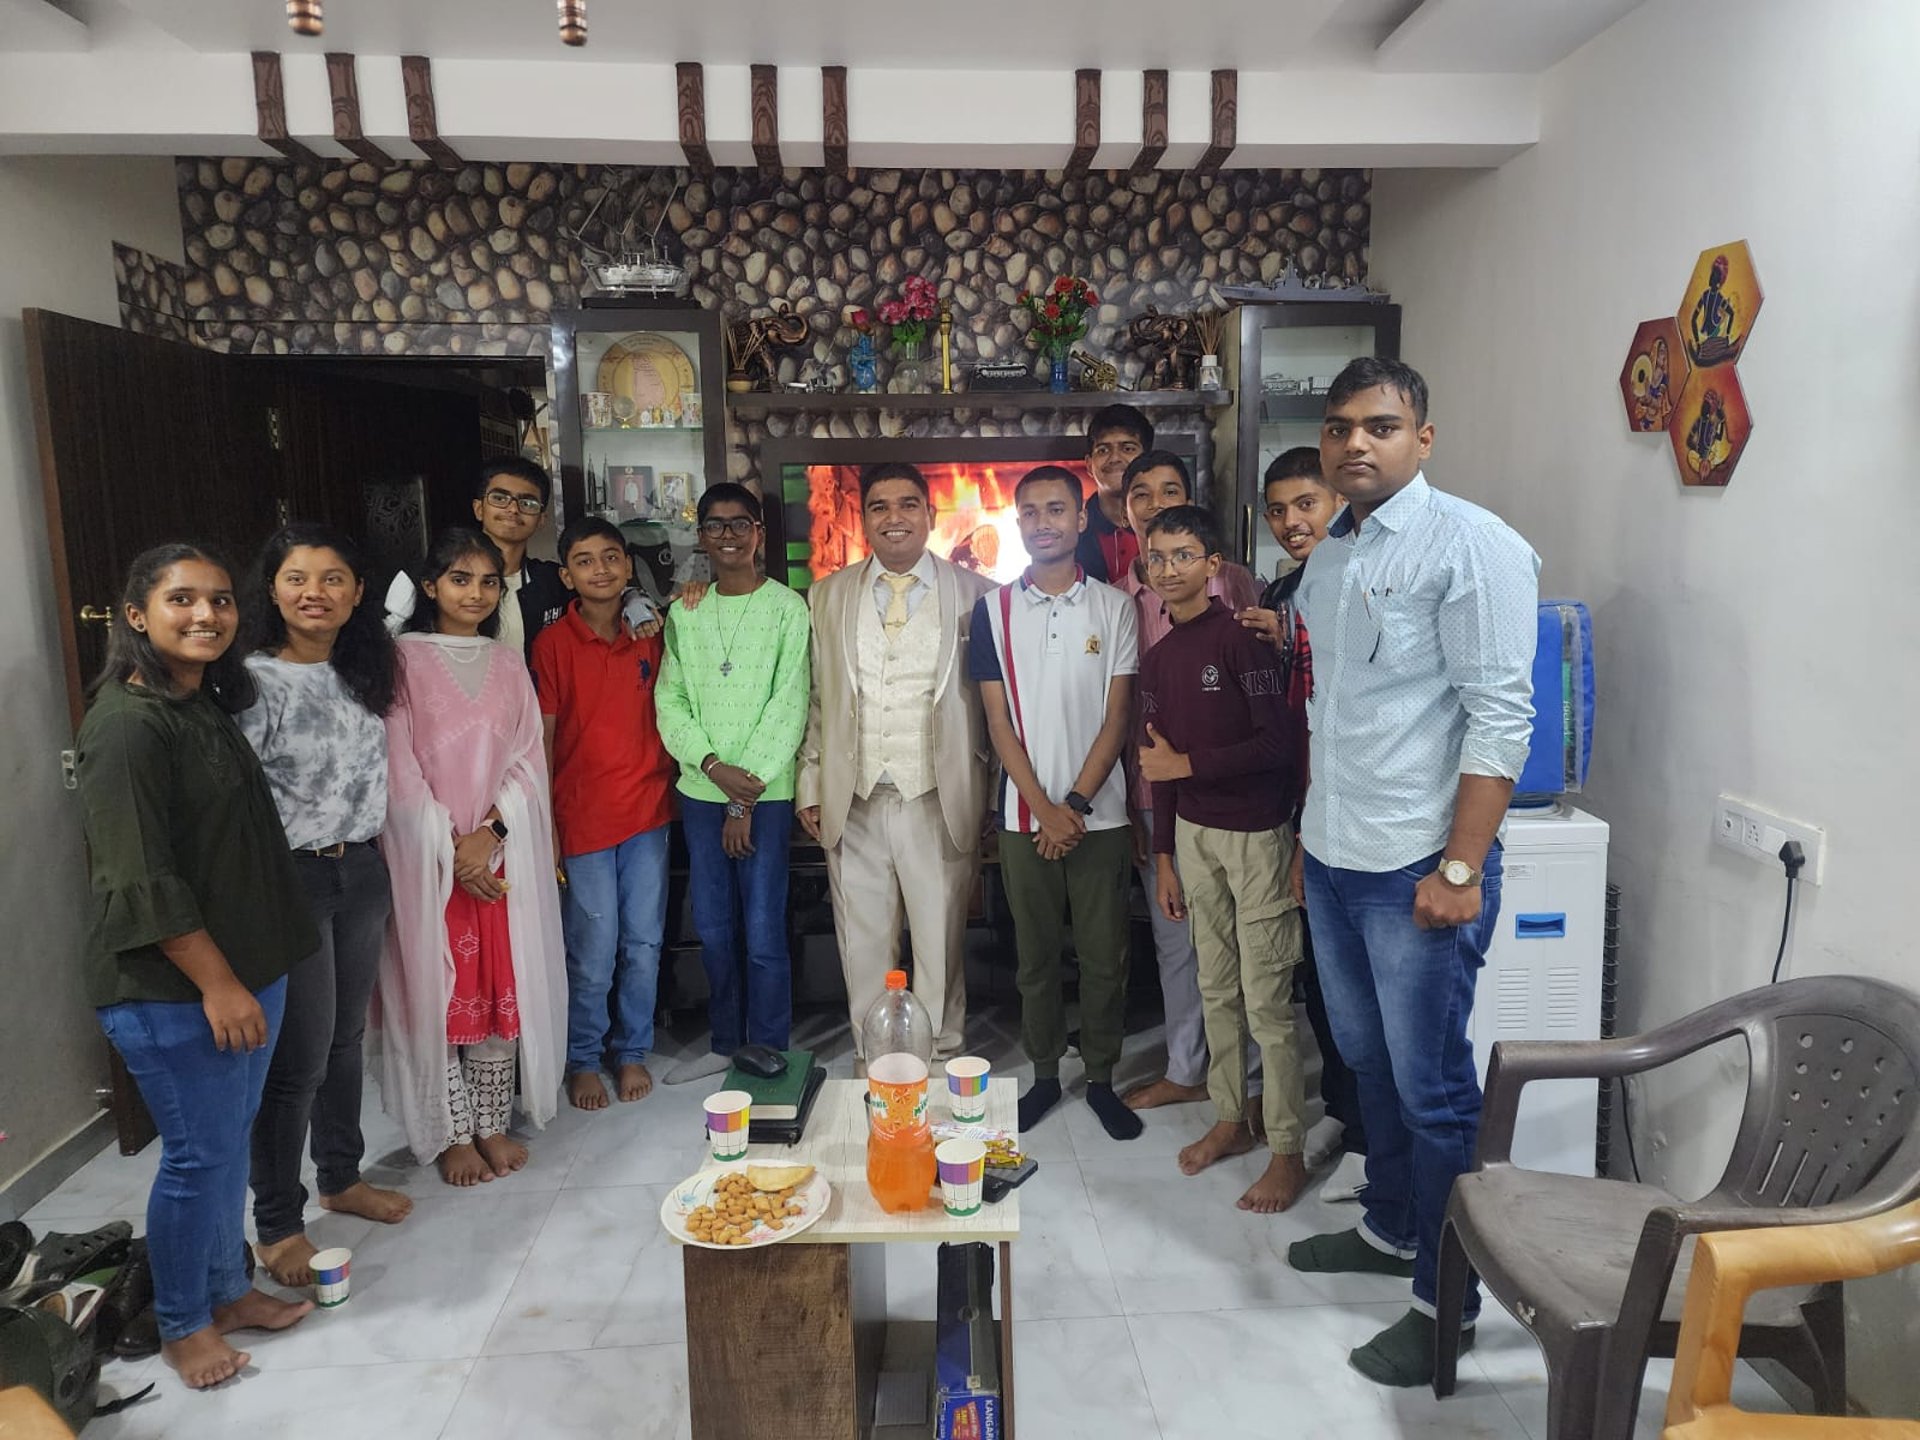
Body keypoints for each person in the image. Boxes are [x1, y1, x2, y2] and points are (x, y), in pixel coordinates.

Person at [1284, 356, 1539, 1387]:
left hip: (1419, 868)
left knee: (1433, 1088)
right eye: (1339, 425)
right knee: (1367, 1062)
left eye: (1380, 426)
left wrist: (1462, 867)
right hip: (1336, 854)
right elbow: (1336, 712)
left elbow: (1501, 717)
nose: (1355, 442)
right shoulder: (1332, 554)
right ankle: (1390, 1226)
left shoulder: (1474, 545)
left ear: (1421, 438)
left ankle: (1447, 1305)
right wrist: (1311, 844)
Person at [73, 543, 317, 1389]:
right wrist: (218, 983)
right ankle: (182, 1323)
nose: (206, 614)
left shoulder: (197, 701)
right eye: (182, 599)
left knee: (222, 1147)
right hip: (175, 989)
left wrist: (245, 976)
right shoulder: (125, 727)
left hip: (245, 971)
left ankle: (225, 1290)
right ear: (136, 614)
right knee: (196, 1158)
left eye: (219, 600)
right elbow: (143, 880)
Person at [240, 525, 413, 1290]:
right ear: (272, 590)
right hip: (294, 879)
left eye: (333, 578)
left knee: (346, 1040)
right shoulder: (253, 681)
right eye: (298, 578)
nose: (315, 593)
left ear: (357, 592)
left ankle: (340, 1177)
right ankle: (278, 1223)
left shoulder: (362, 669)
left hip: (362, 867)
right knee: (298, 1060)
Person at [379, 527, 567, 1186]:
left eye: (489, 582)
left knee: (497, 990)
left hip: (497, 860)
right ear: (431, 586)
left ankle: (490, 1123)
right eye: (460, 579)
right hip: (426, 862)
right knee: (436, 992)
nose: (476, 593)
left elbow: (527, 761)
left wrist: (491, 835)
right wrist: (448, 846)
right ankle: (450, 1132)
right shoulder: (399, 660)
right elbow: (396, 766)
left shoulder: (509, 664)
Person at [1135, 505, 1309, 1214]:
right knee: (1216, 988)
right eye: (1157, 557)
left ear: (1213, 566)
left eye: (1184, 555)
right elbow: (1158, 764)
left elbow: (1278, 745)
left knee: (1266, 1000)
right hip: (1194, 840)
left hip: (1256, 835)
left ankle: (1287, 1148)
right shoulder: (1157, 659)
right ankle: (1231, 1118)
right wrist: (1164, 856)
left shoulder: (1241, 642)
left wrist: (1189, 764)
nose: (1168, 568)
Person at [796, 461, 996, 1062]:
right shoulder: (827, 595)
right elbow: (817, 697)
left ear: (931, 514)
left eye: (908, 504)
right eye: (879, 507)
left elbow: (996, 707)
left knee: (939, 942)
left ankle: (941, 1057)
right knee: (861, 944)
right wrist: (810, 781)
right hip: (853, 795)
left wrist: (991, 793)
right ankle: (876, 1062)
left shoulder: (979, 594)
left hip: (939, 794)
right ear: (864, 519)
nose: (894, 517)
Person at [968, 467, 1142, 1139]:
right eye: (1031, 512)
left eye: (1057, 509)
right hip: (1024, 820)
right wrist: (1044, 809)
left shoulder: (1115, 608)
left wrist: (1073, 804)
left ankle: (1100, 1077)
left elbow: (1117, 716)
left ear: (1080, 520)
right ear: (1017, 523)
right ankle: (1044, 1074)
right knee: (1034, 958)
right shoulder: (991, 611)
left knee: (1104, 958)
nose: (1043, 522)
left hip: (1102, 816)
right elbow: (997, 722)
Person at [1109, 451, 1264, 1113]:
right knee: (1176, 940)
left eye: (1170, 489)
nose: (1155, 502)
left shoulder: (1238, 587)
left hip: (1239, 797)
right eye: (1141, 494)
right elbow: (1120, 710)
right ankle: (1186, 1067)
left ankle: (1248, 1081)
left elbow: (1267, 695)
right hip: (1157, 794)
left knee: (1244, 945)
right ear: (1125, 510)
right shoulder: (1118, 597)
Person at [1237, 448, 1370, 1203]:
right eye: (1279, 510)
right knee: (1321, 983)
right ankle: (1345, 1115)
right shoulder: (1281, 589)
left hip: (1353, 811)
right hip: (1298, 804)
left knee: (1362, 995)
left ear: (1337, 505)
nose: (1292, 522)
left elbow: (1341, 701)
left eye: (1306, 505)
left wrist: (1292, 640)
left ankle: (1373, 1144)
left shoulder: (1358, 580)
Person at [656, 484, 812, 1082]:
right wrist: (712, 767)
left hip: (764, 795)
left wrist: (742, 800)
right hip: (701, 792)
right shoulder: (686, 612)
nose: (728, 535)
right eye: (716, 525)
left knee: (764, 929)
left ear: (758, 534)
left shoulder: (787, 609)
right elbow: (670, 700)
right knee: (716, 926)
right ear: (701, 536)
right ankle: (725, 1042)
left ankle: (768, 1047)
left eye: (739, 524)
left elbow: (789, 704)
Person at [531, 517, 673, 1111]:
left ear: (628, 566)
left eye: (611, 557)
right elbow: (543, 740)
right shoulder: (552, 644)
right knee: (592, 951)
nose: (600, 570)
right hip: (583, 819)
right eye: (585, 561)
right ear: (567, 576)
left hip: (648, 813)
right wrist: (545, 825)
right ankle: (584, 1058)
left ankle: (632, 1049)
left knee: (643, 943)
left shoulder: (651, 633)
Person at [470, 457, 571, 662]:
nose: (513, 509)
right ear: (479, 509)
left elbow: (605, 594)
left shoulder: (553, 581)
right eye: (500, 498)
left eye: (527, 503)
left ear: (541, 519)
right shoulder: (447, 578)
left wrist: (634, 601)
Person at [1074, 403, 1152, 583]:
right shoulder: (1074, 529)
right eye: (1103, 450)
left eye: (1128, 448)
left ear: (1147, 459)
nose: (1115, 458)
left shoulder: (1165, 521)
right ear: (1089, 465)